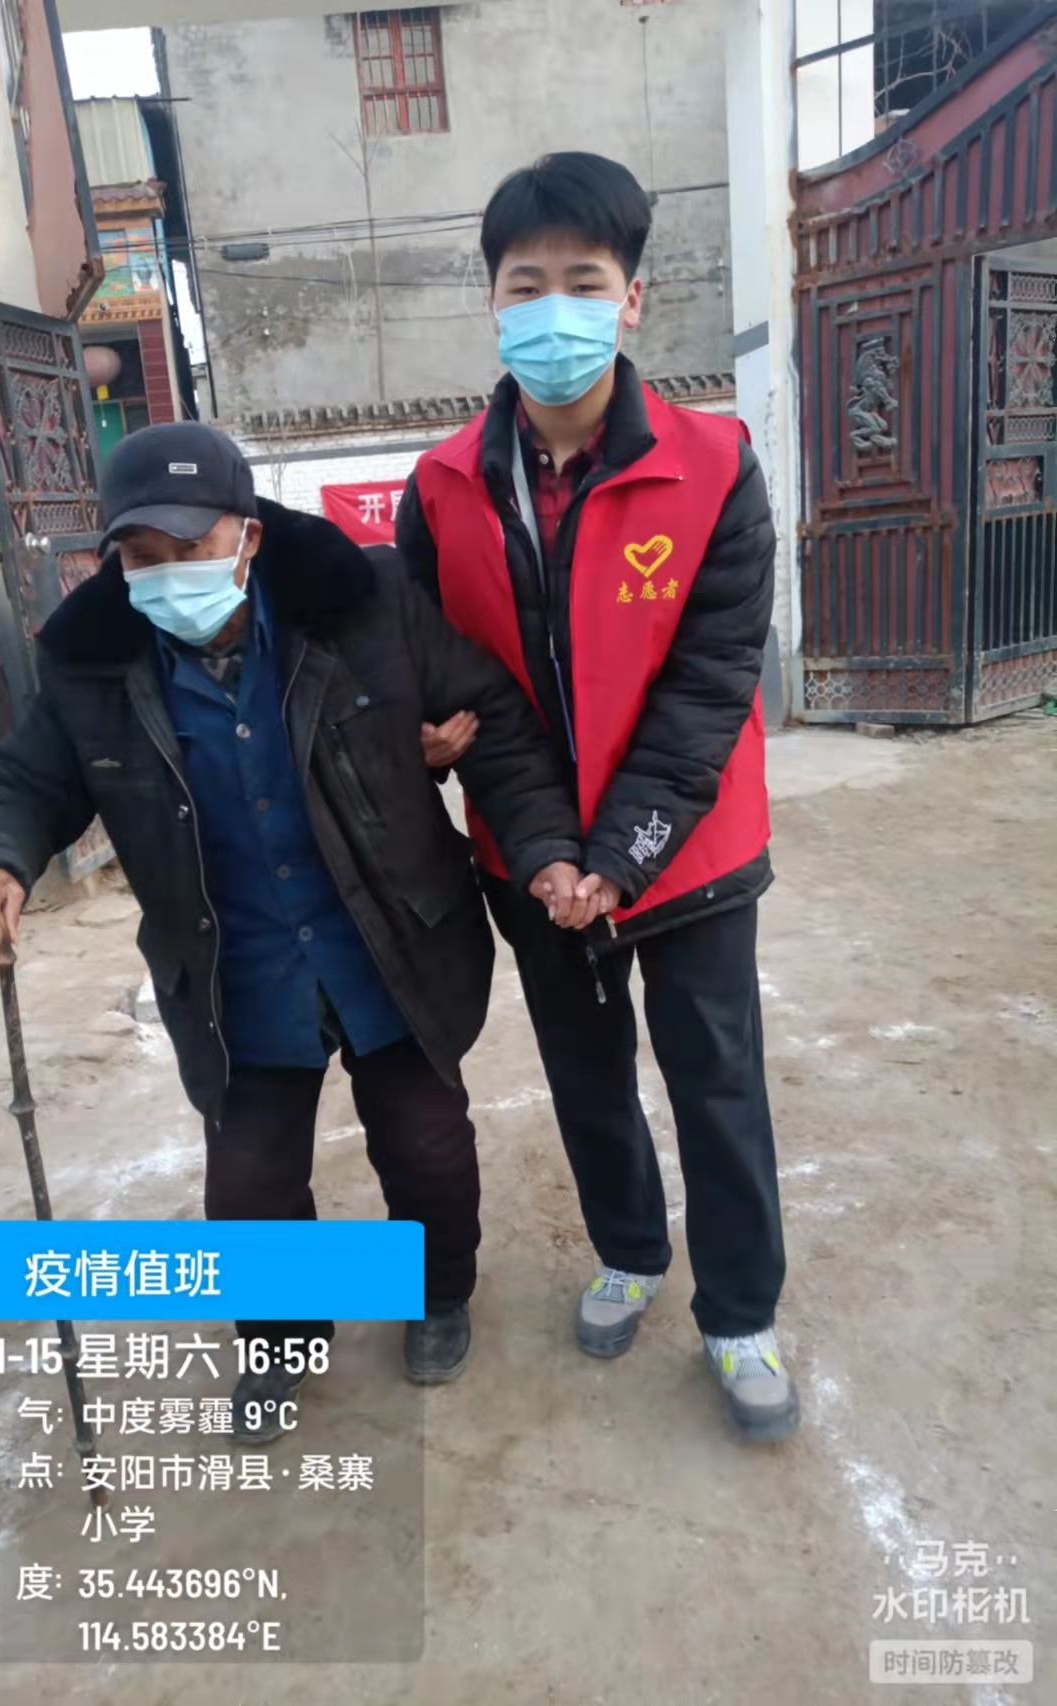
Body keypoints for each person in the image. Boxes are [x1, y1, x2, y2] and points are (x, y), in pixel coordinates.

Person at [0, 421, 594, 1436]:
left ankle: (434, 1294)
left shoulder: (363, 604)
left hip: (388, 939)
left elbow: (490, 716)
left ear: (247, 535)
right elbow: (20, 778)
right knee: (247, 1188)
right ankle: (283, 1339)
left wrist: (543, 844)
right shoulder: (92, 664)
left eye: (190, 547)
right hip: (235, 967)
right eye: (141, 555)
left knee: (425, 1145)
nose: (167, 573)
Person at [395, 152, 798, 1441]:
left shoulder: (714, 466)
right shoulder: (440, 489)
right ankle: (629, 1247)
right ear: (492, 302)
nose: (553, 309)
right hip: (527, 855)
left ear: (632, 298)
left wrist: (617, 853)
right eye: (527, 284)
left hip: (691, 854)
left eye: (584, 280)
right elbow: (431, 669)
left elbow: (709, 688)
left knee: (715, 1079)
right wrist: (435, 749)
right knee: (586, 1074)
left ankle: (739, 1311)